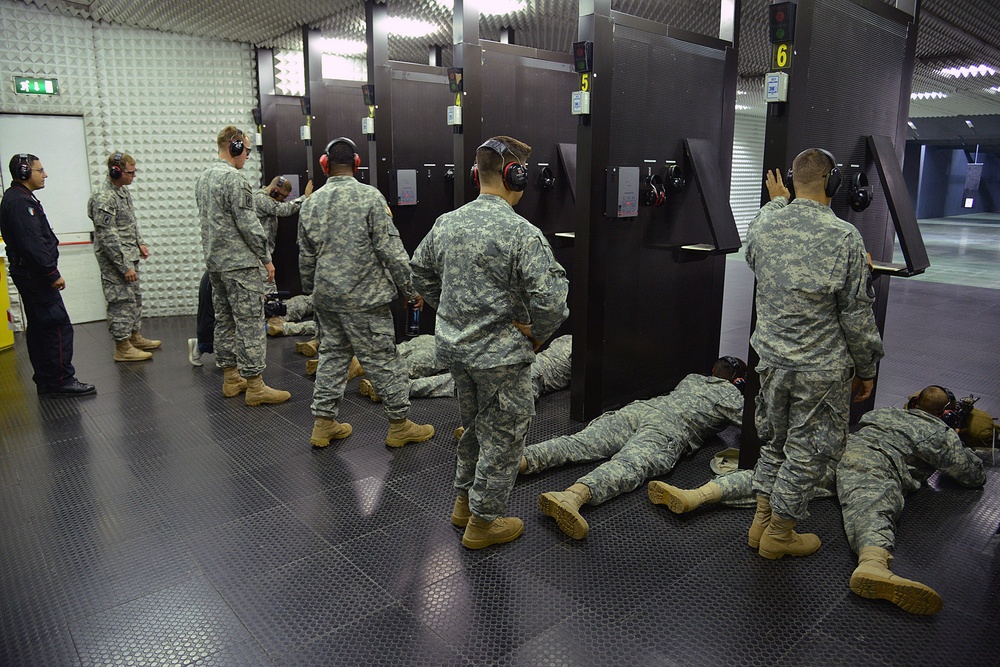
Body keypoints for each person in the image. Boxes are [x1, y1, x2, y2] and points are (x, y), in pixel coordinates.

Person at [411, 136, 570, 550]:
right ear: (513, 174)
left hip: (457, 352)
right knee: (505, 435)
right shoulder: (522, 233)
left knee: (475, 428)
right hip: (501, 357)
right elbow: (552, 301)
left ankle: (464, 502)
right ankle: (483, 523)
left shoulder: (446, 222)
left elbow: (419, 272)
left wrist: (451, 311)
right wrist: (537, 332)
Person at [745, 149, 884, 560]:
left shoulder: (765, 225)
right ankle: (780, 535)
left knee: (773, 443)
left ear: (792, 180)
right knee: (807, 452)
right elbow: (856, 317)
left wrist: (776, 201)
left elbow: (758, 244)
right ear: (832, 182)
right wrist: (867, 368)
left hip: (771, 361)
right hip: (820, 370)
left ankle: (760, 523)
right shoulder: (845, 237)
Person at [298, 136, 433, 449]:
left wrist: (311, 292)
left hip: (327, 298)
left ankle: (323, 423)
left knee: (332, 356)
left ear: (324, 165)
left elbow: (305, 257)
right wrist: (411, 289)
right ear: (357, 165)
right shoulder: (371, 198)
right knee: (384, 359)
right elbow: (390, 250)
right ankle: (400, 425)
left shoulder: (311, 203)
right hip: (365, 300)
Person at [526, 357, 746, 539]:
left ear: (712, 370)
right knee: (629, 464)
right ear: (736, 380)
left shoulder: (693, 379)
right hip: (670, 428)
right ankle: (572, 497)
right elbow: (756, 428)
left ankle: (521, 461)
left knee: (578, 442)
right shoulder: (732, 396)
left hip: (642, 410)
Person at [838, 386, 985, 615]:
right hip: (872, 466)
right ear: (945, 414)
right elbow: (974, 476)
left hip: (839, 454)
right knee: (873, 505)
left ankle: (766, 530)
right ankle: (873, 565)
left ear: (915, 402)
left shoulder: (883, 412)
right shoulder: (938, 433)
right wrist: (955, 441)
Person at [195, 126, 289, 405]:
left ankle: (231, 378)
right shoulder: (234, 180)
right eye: (246, 150)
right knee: (249, 323)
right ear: (235, 147)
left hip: (217, 265)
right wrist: (266, 258)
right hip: (241, 265)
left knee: (225, 321)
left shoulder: (203, 177)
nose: (247, 156)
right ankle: (255, 386)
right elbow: (249, 224)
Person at [0, 153, 95, 396]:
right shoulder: (20, 203)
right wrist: (52, 273)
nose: (45, 174)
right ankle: (62, 380)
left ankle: (46, 380)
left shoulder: (19, 198)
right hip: (37, 277)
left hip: (31, 275)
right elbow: (33, 244)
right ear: (24, 173)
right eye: (40, 170)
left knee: (41, 327)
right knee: (56, 326)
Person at [88, 151, 159, 362]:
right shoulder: (104, 197)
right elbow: (107, 235)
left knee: (133, 299)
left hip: (129, 256)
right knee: (120, 302)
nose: (134, 176)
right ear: (115, 171)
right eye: (130, 172)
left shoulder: (122, 191)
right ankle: (122, 346)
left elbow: (129, 223)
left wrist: (140, 243)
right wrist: (124, 265)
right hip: (116, 262)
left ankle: (133, 336)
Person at [356, 334, 573, 402]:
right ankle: (395, 386)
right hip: (530, 368)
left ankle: (387, 381)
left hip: (528, 365)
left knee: (459, 377)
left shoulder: (567, 339)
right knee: (458, 379)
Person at [254, 175, 313, 258]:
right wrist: (304, 198)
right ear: (275, 192)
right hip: (259, 252)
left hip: (264, 251)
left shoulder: (266, 198)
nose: (284, 200)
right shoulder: (261, 199)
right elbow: (284, 210)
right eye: (284, 196)